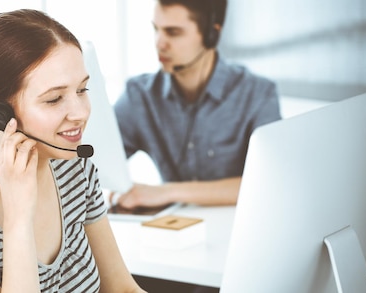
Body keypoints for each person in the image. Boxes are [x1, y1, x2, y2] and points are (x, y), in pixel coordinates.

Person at [0, 9, 146, 293]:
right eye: (54, 99)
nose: (80, 112)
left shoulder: (74, 168)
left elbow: (122, 289)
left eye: (82, 90)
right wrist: (18, 217)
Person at [113, 0, 281, 292]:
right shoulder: (139, 95)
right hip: (173, 245)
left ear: (212, 33)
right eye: (156, 30)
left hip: (238, 246)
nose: (159, 43)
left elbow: (269, 185)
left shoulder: (257, 93)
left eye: (173, 32)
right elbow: (98, 157)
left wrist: (165, 192)